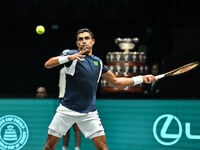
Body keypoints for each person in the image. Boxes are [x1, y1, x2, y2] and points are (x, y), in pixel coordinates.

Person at [43, 28, 157, 150]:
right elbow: (48, 64)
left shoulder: (98, 62)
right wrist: (68, 58)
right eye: (80, 39)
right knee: (49, 146)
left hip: (89, 112)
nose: (84, 41)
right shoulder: (71, 54)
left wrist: (142, 78)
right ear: (77, 43)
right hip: (66, 110)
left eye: (87, 38)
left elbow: (117, 82)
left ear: (93, 41)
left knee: (102, 147)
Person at [59, 66, 81, 150]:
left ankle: (77, 148)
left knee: (76, 126)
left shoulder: (76, 69)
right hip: (64, 99)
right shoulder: (62, 70)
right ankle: (65, 148)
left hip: (74, 99)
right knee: (65, 127)